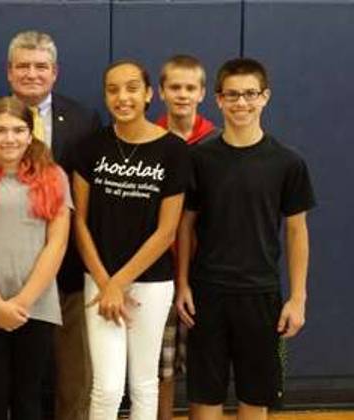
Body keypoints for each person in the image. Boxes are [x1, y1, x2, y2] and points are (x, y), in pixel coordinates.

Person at [0, 30, 101, 420]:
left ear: (54, 72)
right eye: (23, 65)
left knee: (46, 387)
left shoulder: (82, 122)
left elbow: (64, 228)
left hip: (53, 282)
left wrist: (24, 300)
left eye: (41, 66)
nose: (32, 73)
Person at [176, 58, 315, 420]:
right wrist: (183, 285)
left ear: (265, 97)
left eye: (250, 94)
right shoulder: (199, 158)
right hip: (207, 293)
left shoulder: (288, 162)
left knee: (256, 396)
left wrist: (297, 298)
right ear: (218, 100)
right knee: (205, 394)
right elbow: (185, 226)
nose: (241, 103)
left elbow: (297, 231)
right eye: (233, 95)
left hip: (261, 294)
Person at [72, 60, 190, 420]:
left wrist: (119, 283)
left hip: (152, 282)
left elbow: (167, 230)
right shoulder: (90, 146)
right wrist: (105, 283)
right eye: (113, 89)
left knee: (143, 384)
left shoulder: (173, 150)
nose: (122, 97)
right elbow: (79, 221)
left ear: (149, 94)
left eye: (132, 88)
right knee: (106, 388)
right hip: (99, 279)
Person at [0, 96, 71, 420]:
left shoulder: (54, 177)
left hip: (36, 306)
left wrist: (23, 301)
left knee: (28, 398)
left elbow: (57, 245)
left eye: (18, 130)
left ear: (31, 133)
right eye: (0, 130)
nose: (10, 138)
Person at [154, 54, 219, 420]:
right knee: (161, 365)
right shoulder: (150, 141)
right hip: (161, 267)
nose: (182, 94)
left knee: (203, 364)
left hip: (207, 269)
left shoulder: (217, 143)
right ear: (161, 92)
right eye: (174, 87)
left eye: (190, 88)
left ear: (203, 93)